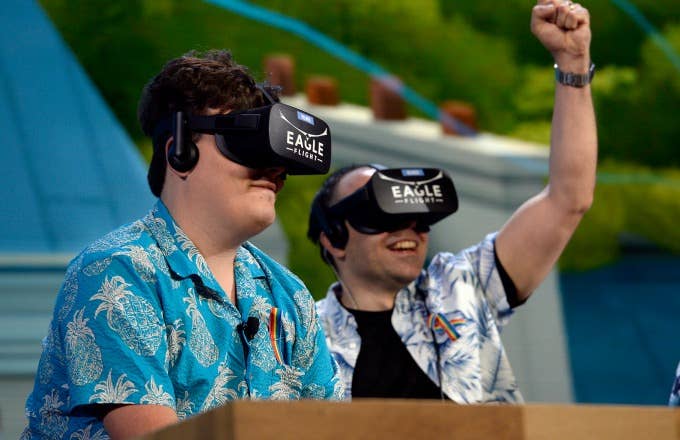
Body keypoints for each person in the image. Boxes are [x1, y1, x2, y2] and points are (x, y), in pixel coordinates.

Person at [22, 49, 343, 440]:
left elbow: (333, 430)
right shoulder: (119, 271)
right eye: (247, 142)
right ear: (179, 152)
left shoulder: (290, 297)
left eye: (278, 158)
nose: (274, 170)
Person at [308, 0, 597, 402]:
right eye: (382, 213)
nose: (408, 228)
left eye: (416, 215)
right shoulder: (303, 341)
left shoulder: (461, 288)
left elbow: (569, 199)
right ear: (334, 237)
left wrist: (574, 64)